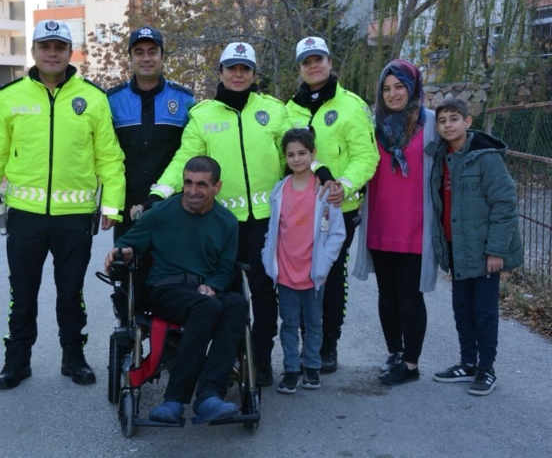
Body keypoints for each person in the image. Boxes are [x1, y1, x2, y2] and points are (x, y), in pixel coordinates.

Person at [0, 20, 125, 390]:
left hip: (74, 218)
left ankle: (73, 357)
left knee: (70, 293)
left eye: (60, 46)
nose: (53, 52)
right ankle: (17, 361)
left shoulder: (92, 97)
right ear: (34, 52)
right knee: (21, 293)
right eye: (45, 46)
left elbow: (109, 157)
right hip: (25, 217)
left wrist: (112, 206)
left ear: (70, 51)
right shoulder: (10, 96)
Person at [148, 42, 290, 386]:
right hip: (219, 225)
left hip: (266, 224)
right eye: (231, 69)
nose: (238, 75)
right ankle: (226, 361)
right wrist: (160, 191)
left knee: (264, 294)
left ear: (254, 74)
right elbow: (186, 159)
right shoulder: (203, 115)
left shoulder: (274, 110)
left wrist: (320, 179)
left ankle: (259, 359)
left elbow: (294, 155)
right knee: (226, 297)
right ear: (222, 73)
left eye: (244, 69)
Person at [104, 156, 247, 424]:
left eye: (201, 185)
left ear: (217, 187)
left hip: (205, 293)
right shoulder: (161, 213)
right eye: (188, 183)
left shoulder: (227, 221)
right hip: (167, 290)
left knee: (237, 304)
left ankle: (208, 394)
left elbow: (225, 269)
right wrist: (123, 250)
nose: (193, 191)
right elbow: (128, 241)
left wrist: (213, 286)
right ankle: (174, 399)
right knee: (209, 307)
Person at [285, 37, 379, 373]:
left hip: (339, 207)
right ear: (300, 67)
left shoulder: (352, 105)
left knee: (331, 273)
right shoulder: (289, 109)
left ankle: (328, 344)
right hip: (299, 208)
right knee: (299, 275)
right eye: (306, 61)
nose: (313, 66)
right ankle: (304, 340)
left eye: (318, 59)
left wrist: (345, 185)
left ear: (329, 61)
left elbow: (367, 156)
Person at [426, 99, 523, 396]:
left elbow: (504, 204)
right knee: (462, 308)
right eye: (442, 121)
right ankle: (467, 363)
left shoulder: (486, 158)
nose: (447, 125)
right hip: (457, 248)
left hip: (483, 251)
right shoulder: (441, 158)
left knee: (484, 311)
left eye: (454, 119)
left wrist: (496, 250)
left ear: (468, 122)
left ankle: (486, 369)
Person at [352, 59, 439, 385]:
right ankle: (394, 353)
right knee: (386, 294)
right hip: (381, 223)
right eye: (387, 88)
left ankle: (412, 364)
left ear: (413, 87)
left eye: (400, 86)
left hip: (417, 225)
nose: (393, 93)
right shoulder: (373, 125)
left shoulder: (430, 123)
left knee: (409, 295)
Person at [107, 26, 196, 311]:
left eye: (152, 51)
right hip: (127, 203)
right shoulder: (112, 99)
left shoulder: (184, 100)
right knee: (125, 272)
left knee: (171, 275)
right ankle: (126, 337)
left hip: (172, 204)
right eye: (139, 52)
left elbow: (191, 152)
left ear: (162, 56)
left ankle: (168, 346)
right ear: (130, 58)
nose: (146, 58)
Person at [262, 129, 346, 393]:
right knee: (287, 324)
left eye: (302, 153)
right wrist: (269, 259)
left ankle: (311, 366)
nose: (297, 159)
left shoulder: (324, 191)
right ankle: (290, 370)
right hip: (286, 271)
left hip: (312, 272)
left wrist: (324, 263)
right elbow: (272, 229)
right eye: (291, 154)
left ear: (313, 154)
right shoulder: (279, 190)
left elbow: (337, 233)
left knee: (313, 323)